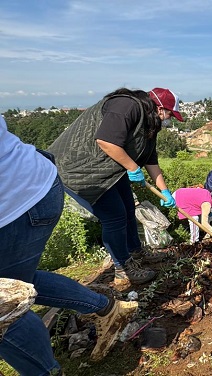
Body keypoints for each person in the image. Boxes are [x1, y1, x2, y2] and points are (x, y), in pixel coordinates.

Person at [0, 115, 138, 375]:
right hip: (35, 184)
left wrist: (135, 168)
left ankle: (47, 370)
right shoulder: (128, 111)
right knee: (18, 283)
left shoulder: (132, 113)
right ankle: (108, 308)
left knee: (5, 302)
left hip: (14, 202)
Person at [48, 88, 182, 287]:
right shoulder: (126, 105)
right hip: (80, 169)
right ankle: (123, 269)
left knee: (129, 208)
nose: (169, 119)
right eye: (170, 114)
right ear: (160, 108)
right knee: (115, 216)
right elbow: (106, 141)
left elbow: (151, 160)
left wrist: (164, 191)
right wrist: (132, 167)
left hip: (110, 168)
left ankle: (136, 252)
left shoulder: (150, 122)